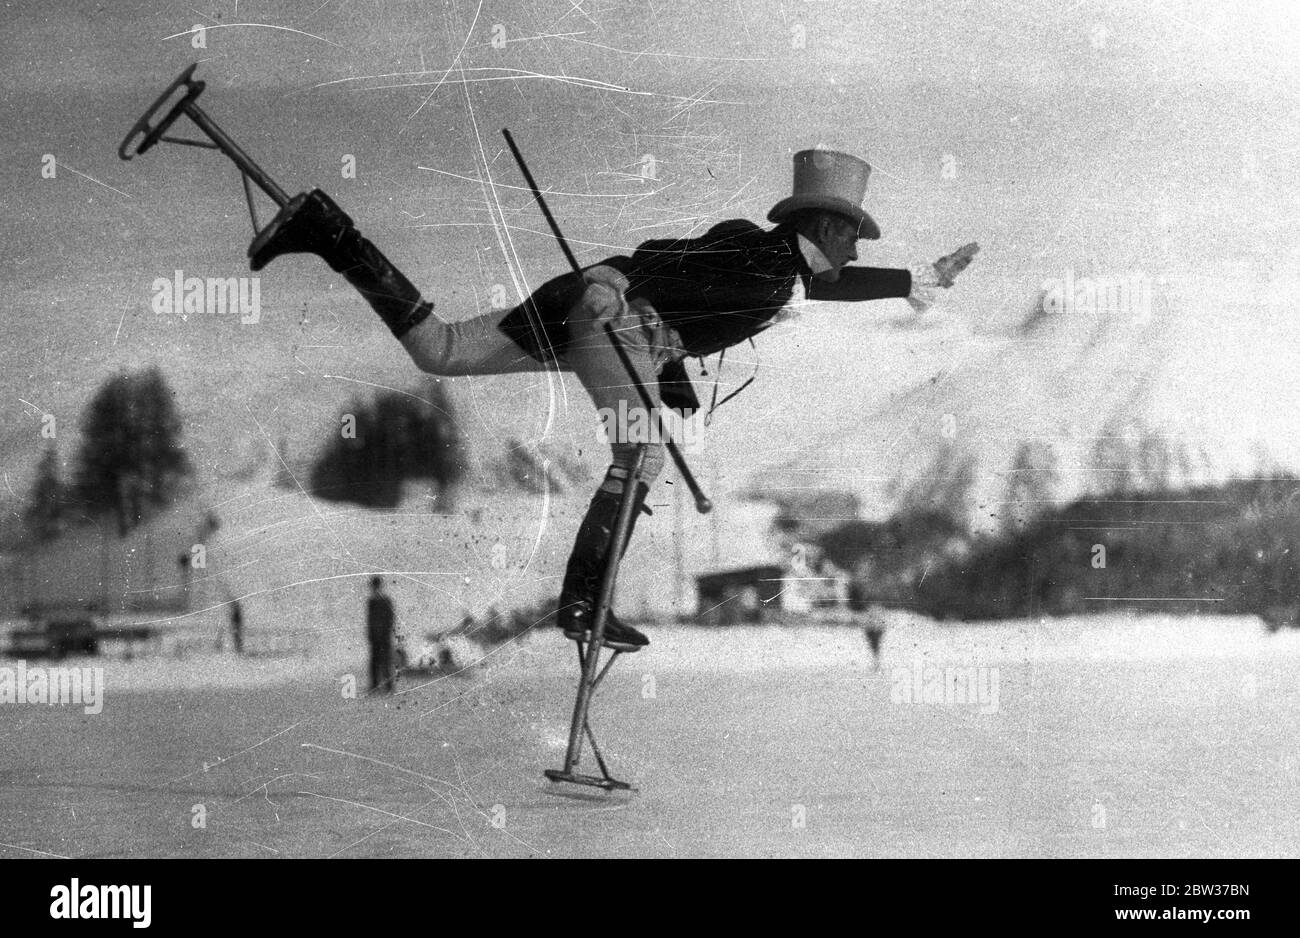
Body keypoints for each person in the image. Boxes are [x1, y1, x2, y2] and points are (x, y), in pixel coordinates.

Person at [247, 149, 978, 650]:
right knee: (646, 451)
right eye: (853, 233)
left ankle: (329, 231)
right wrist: (640, 322)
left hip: (603, 312)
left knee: (440, 349)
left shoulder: (786, 266)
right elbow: (671, 261)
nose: (855, 247)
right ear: (824, 228)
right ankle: (585, 603)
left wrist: (914, 281)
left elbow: (824, 282)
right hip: (607, 312)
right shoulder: (759, 252)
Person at [366, 576, 396, 694]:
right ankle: (377, 685)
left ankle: (387, 686)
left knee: (383, 660)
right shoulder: (372, 601)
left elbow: (389, 619)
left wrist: (384, 633)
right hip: (377, 636)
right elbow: (370, 620)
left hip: (382, 635)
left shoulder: (382, 601)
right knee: (376, 661)